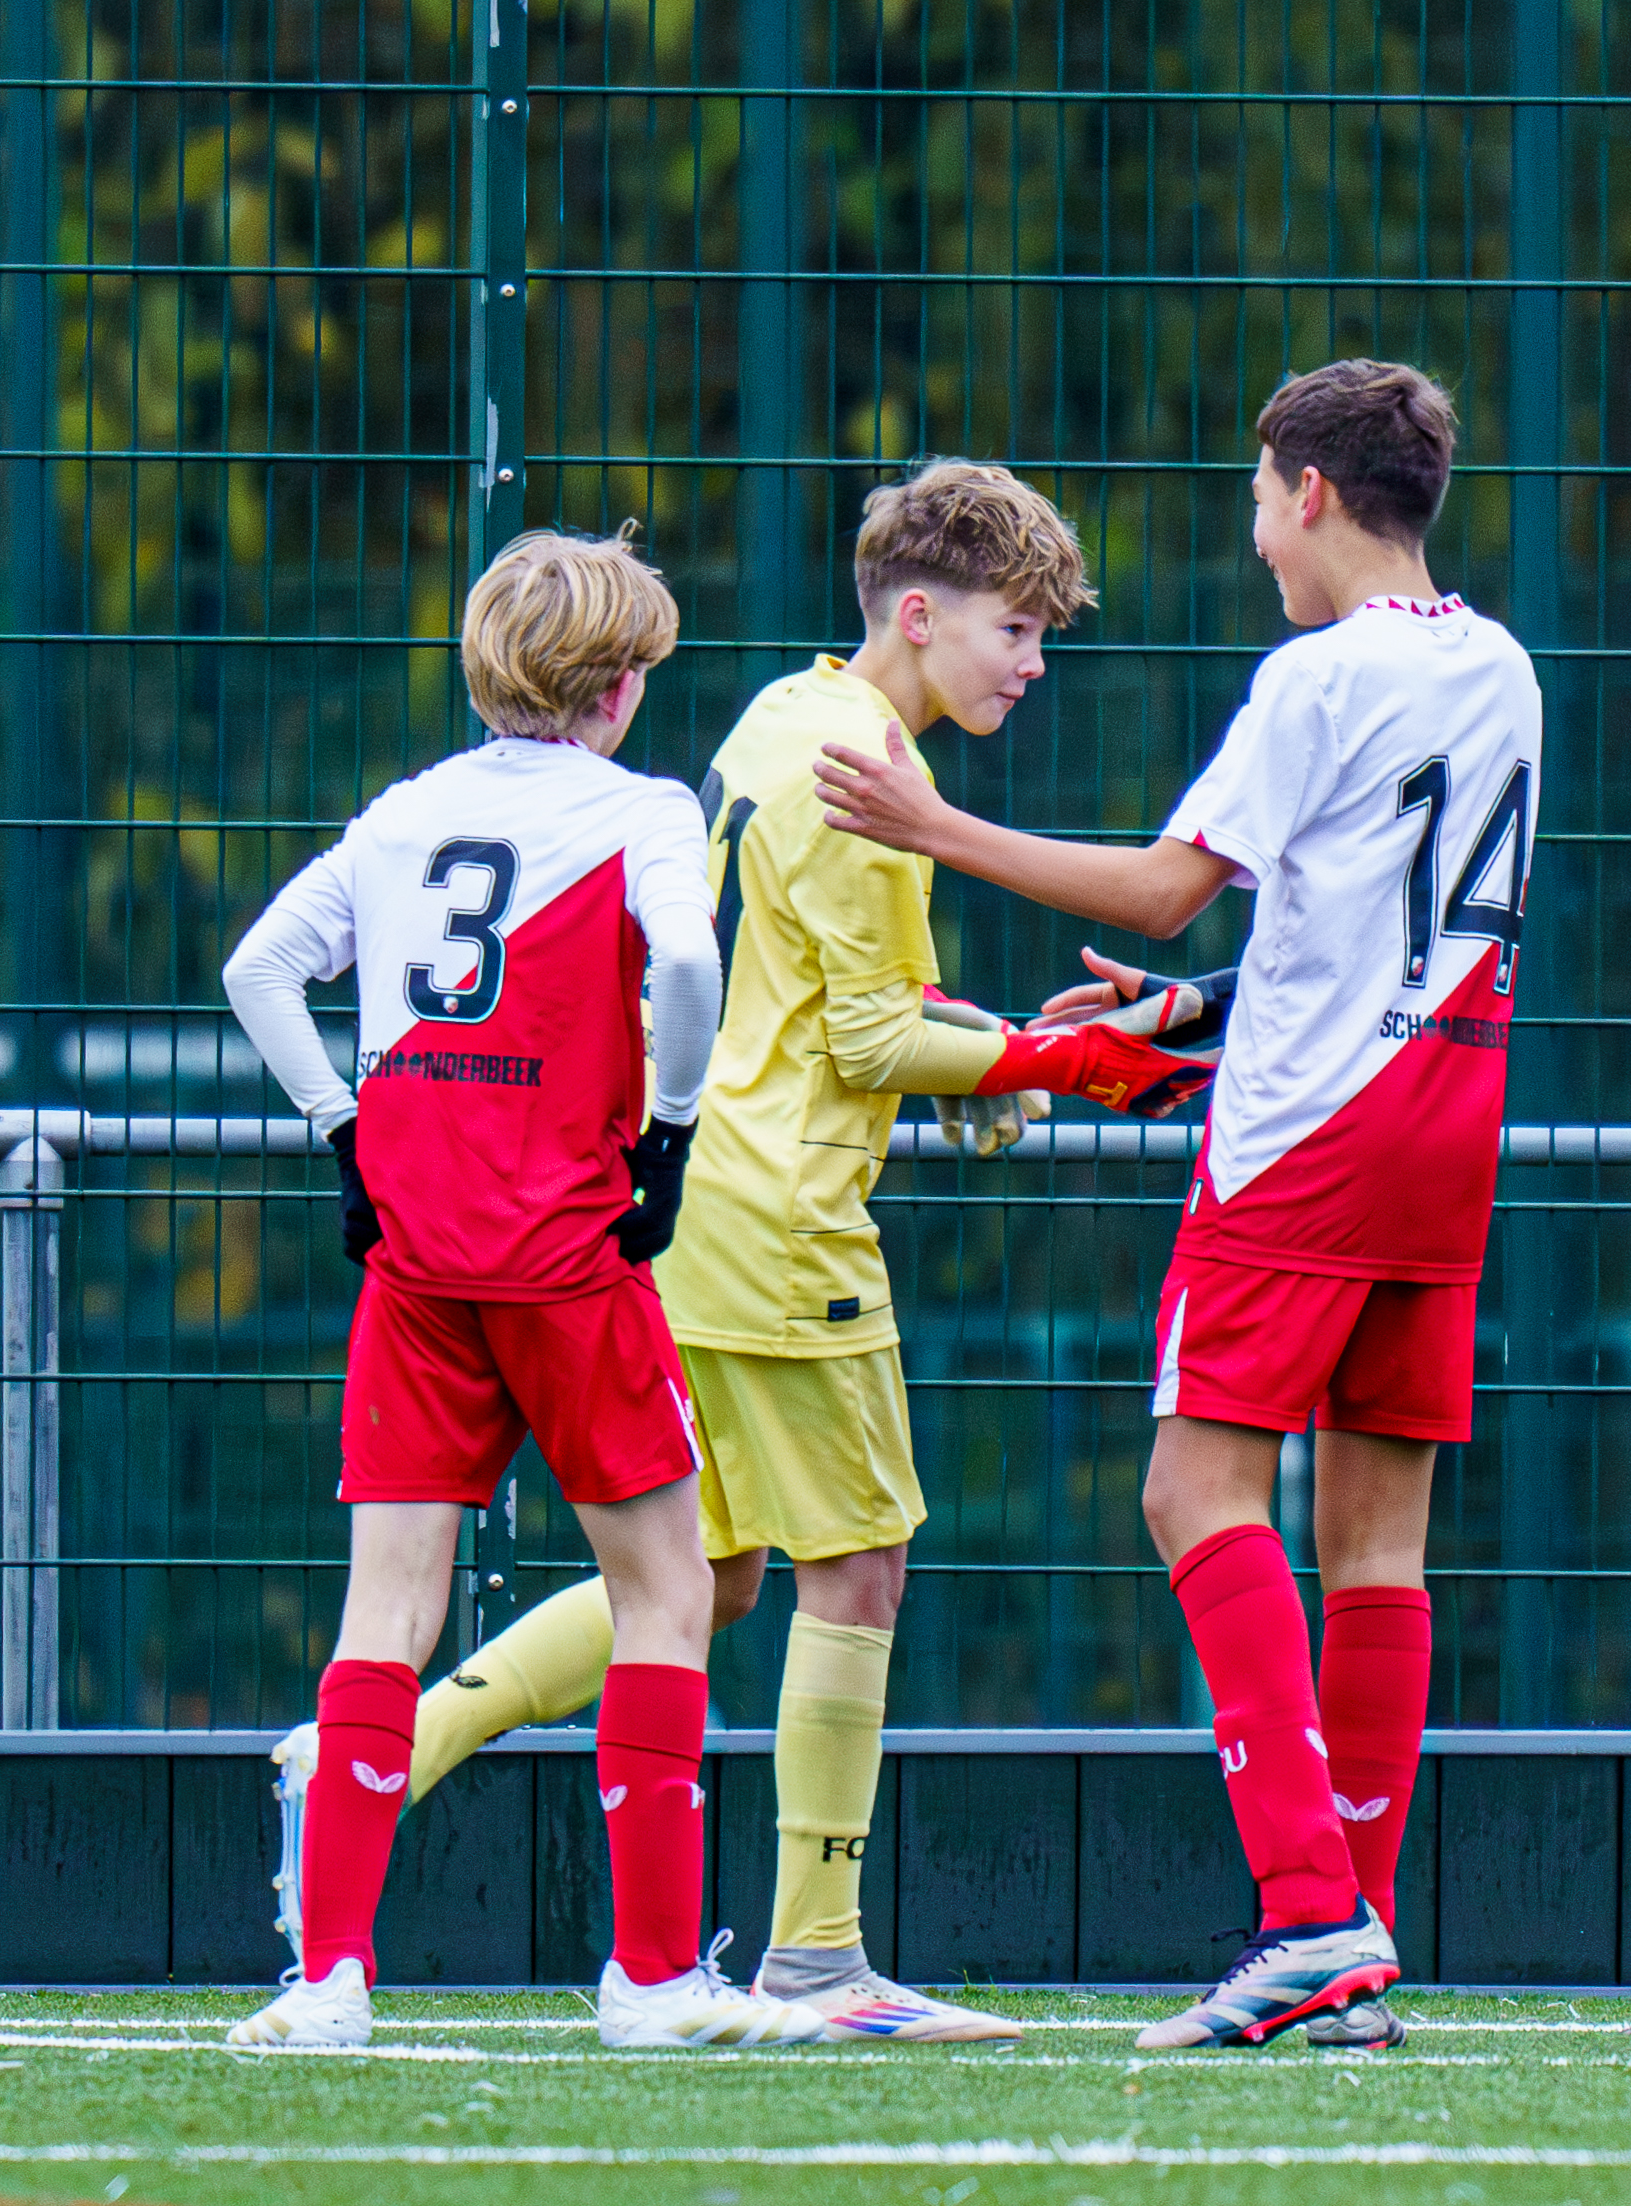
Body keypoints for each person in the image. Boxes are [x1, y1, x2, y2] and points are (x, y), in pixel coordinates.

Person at [257, 465, 1212, 2044]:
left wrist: (997, 1046)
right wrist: (1062, 1064)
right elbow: (855, 1026)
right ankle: (811, 1959)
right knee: (850, 1561)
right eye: (1017, 628)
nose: (1031, 663)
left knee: (708, 1567)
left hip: (665, 1210)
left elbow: (789, 994)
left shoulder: (782, 717)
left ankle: (379, 1753)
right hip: (769, 1221)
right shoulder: (872, 777)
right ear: (922, 613)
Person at [812, 360, 1536, 2052]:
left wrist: (937, 822)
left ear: (1304, 490)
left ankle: (1301, 1912)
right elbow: (1381, 919)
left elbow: (1163, 882)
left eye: (1253, 492)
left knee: (1192, 1489)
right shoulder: (1495, 662)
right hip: (1446, 1124)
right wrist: (1194, 1010)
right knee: (1377, 1543)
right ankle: (1347, 1941)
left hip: (1304, 1145)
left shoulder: (1315, 673)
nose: (1251, 529)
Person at [219, 526, 822, 2049]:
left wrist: (341, 1130)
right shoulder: (639, 811)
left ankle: (333, 1980)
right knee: (669, 1592)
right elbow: (686, 970)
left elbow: (258, 970)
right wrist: (670, 1133)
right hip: (569, 1258)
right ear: (621, 688)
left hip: (419, 1261)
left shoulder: (402, 814)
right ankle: (653, 1975)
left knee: (385, 1612)